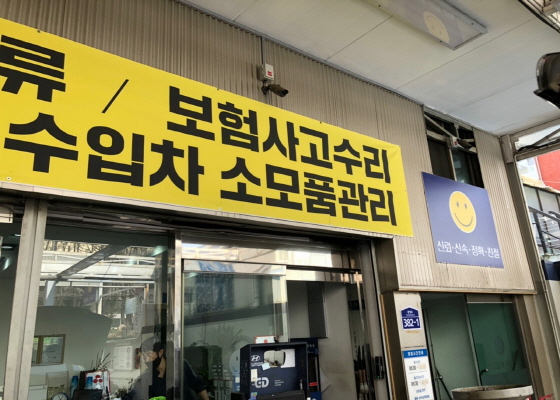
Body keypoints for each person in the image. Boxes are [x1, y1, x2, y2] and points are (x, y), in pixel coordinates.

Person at [125, 337, 209, 400]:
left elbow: (199, 387)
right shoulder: (145, 378)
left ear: (160, 352)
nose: (146, 359)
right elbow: (132, 394)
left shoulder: (180, 365)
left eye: (149, 355)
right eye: (143, 356)